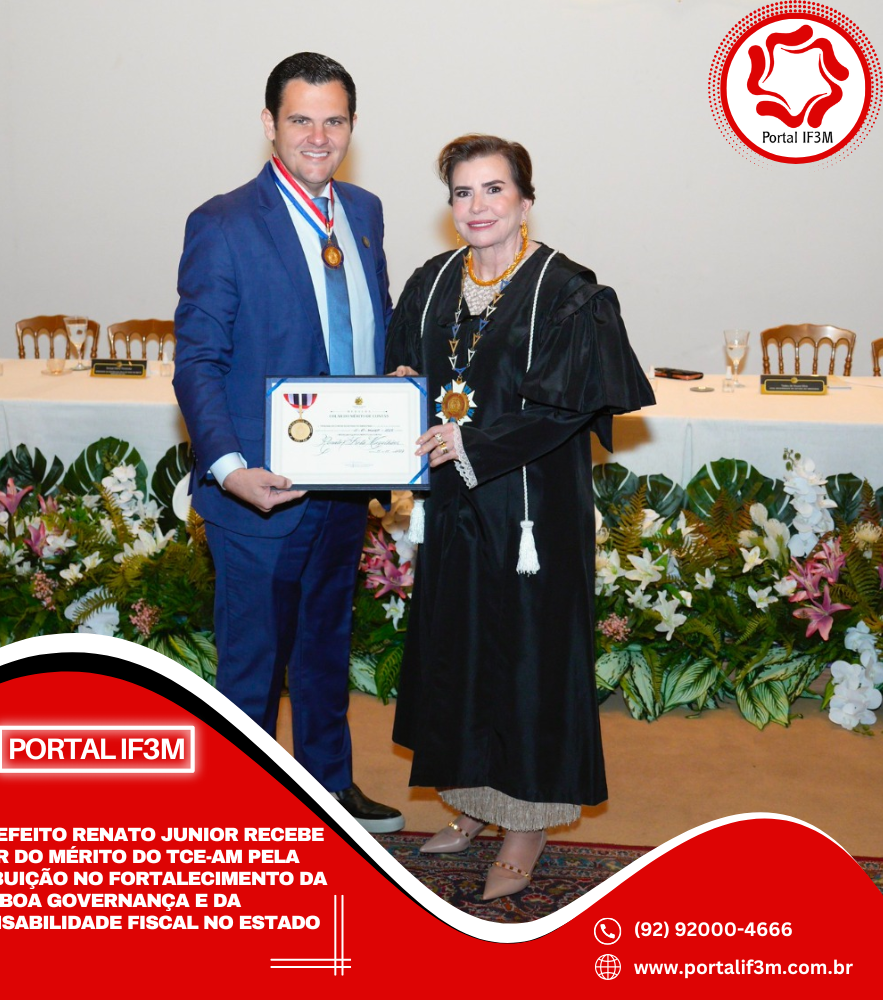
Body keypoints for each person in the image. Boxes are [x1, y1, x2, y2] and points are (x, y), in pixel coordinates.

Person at [386, 135, 653, 898]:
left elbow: (565, 409)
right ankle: (474, 804)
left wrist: (471, 442)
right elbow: (406, 370)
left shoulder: (568, 292)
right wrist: (400, 385)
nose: (477, 207)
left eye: (494, 189)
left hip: (532, 511)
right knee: (461, 651)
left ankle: (527, 824)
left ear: (526, 201)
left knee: (529, 661)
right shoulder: (432, 283)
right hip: (455, 508)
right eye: (462, 192)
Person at [173, 53, 403, 832]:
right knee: (252, 664)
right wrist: (230, 469)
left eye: (333, 120)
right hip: (258, 492)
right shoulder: (223, 223)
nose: (318, 136)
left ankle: (328, 788)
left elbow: (371, 324)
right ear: (270, 124)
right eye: (301, 119)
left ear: (352, 126)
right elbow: (198, 361)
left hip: (342, 484)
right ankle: (242, 816)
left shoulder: (364, 211)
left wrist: (395, 384)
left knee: (324, 648)